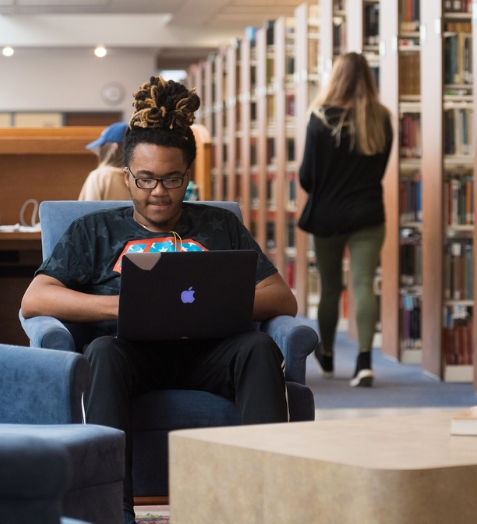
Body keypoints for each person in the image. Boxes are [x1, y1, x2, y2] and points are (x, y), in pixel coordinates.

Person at [22, 76, 297, 524]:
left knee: (259, 348)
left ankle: (263, 507)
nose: (158, 192)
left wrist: (214, 304)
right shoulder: (95, 231)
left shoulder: (218, 226)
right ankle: (114, 512)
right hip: (129, 354)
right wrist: (125, 306)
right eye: (145, 178)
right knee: (103, 352)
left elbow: (280, 297)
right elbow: (37, 298)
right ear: (126, 175)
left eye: (171, 179)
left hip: (209, 352)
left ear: (187, 176)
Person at [298, 52, 393, 388]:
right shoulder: (381, 118)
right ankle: (365, 360)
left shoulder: (320, 118)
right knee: (364, 284)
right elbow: (379, 172)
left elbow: (306, 176)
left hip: (326, 215)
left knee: (330, 287)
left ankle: (326, 354)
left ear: (334, 77)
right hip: (368, 214)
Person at [79, 121, 131, 200]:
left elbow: (85, 210)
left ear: (115, 147)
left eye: (102, 147)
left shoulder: (99, 177)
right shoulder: (142, 179)